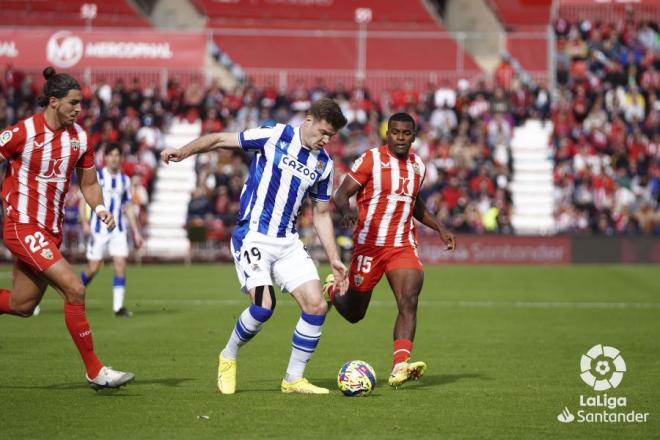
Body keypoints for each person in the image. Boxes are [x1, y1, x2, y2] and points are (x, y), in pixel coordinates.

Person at [161, 97, 348, 394]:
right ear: (309, 120)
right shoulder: (274, 134)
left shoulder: (323, 164)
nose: (325, 140)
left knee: (316, 306)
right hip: (253, 236)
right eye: (323, 132)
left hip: (287, 242)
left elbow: (322, 214)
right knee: (263, 306)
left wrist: (334, 258)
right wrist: (183, 152)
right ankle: (228, 355)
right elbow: (221, 139)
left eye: (331, 136)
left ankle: (293, 379)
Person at [0, 67, 134, 389]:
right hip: (22, 225)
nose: (79, 109)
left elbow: (89, 183)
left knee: (22, 305)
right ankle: (95, 371)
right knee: (75, 288)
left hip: (49, 232)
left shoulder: (80, 139)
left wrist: (99, 208)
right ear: (54, 101)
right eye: (74, 103)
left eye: (81, 103)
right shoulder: (22, 132)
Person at [324, 113, 456, 387]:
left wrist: (439, 228)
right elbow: (340, 194)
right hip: (369, 246)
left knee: (409, 300)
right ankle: (333, 291)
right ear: (388, 134)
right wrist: (347, 212)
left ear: (413, 137)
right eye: (395, 132)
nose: (400, 137)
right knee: (354, 314)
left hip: (401, 244)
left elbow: (414, 203)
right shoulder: (371, 159)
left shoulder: (418, 166)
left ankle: (400, 366)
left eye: (405, 133)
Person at [80, 143, 144, 317]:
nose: (114, 158)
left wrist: (136, 232)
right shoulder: (98, 177)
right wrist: (85, 223)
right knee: (93, 269)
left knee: (120, 265)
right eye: (111, 155)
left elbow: (129, 207)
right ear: (106, 157)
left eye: (117, 155)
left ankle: (118, 308)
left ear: (121, 158)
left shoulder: (125, 180)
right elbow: (83, 200)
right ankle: (73, 291)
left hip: (118, 230)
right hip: (98, 230)